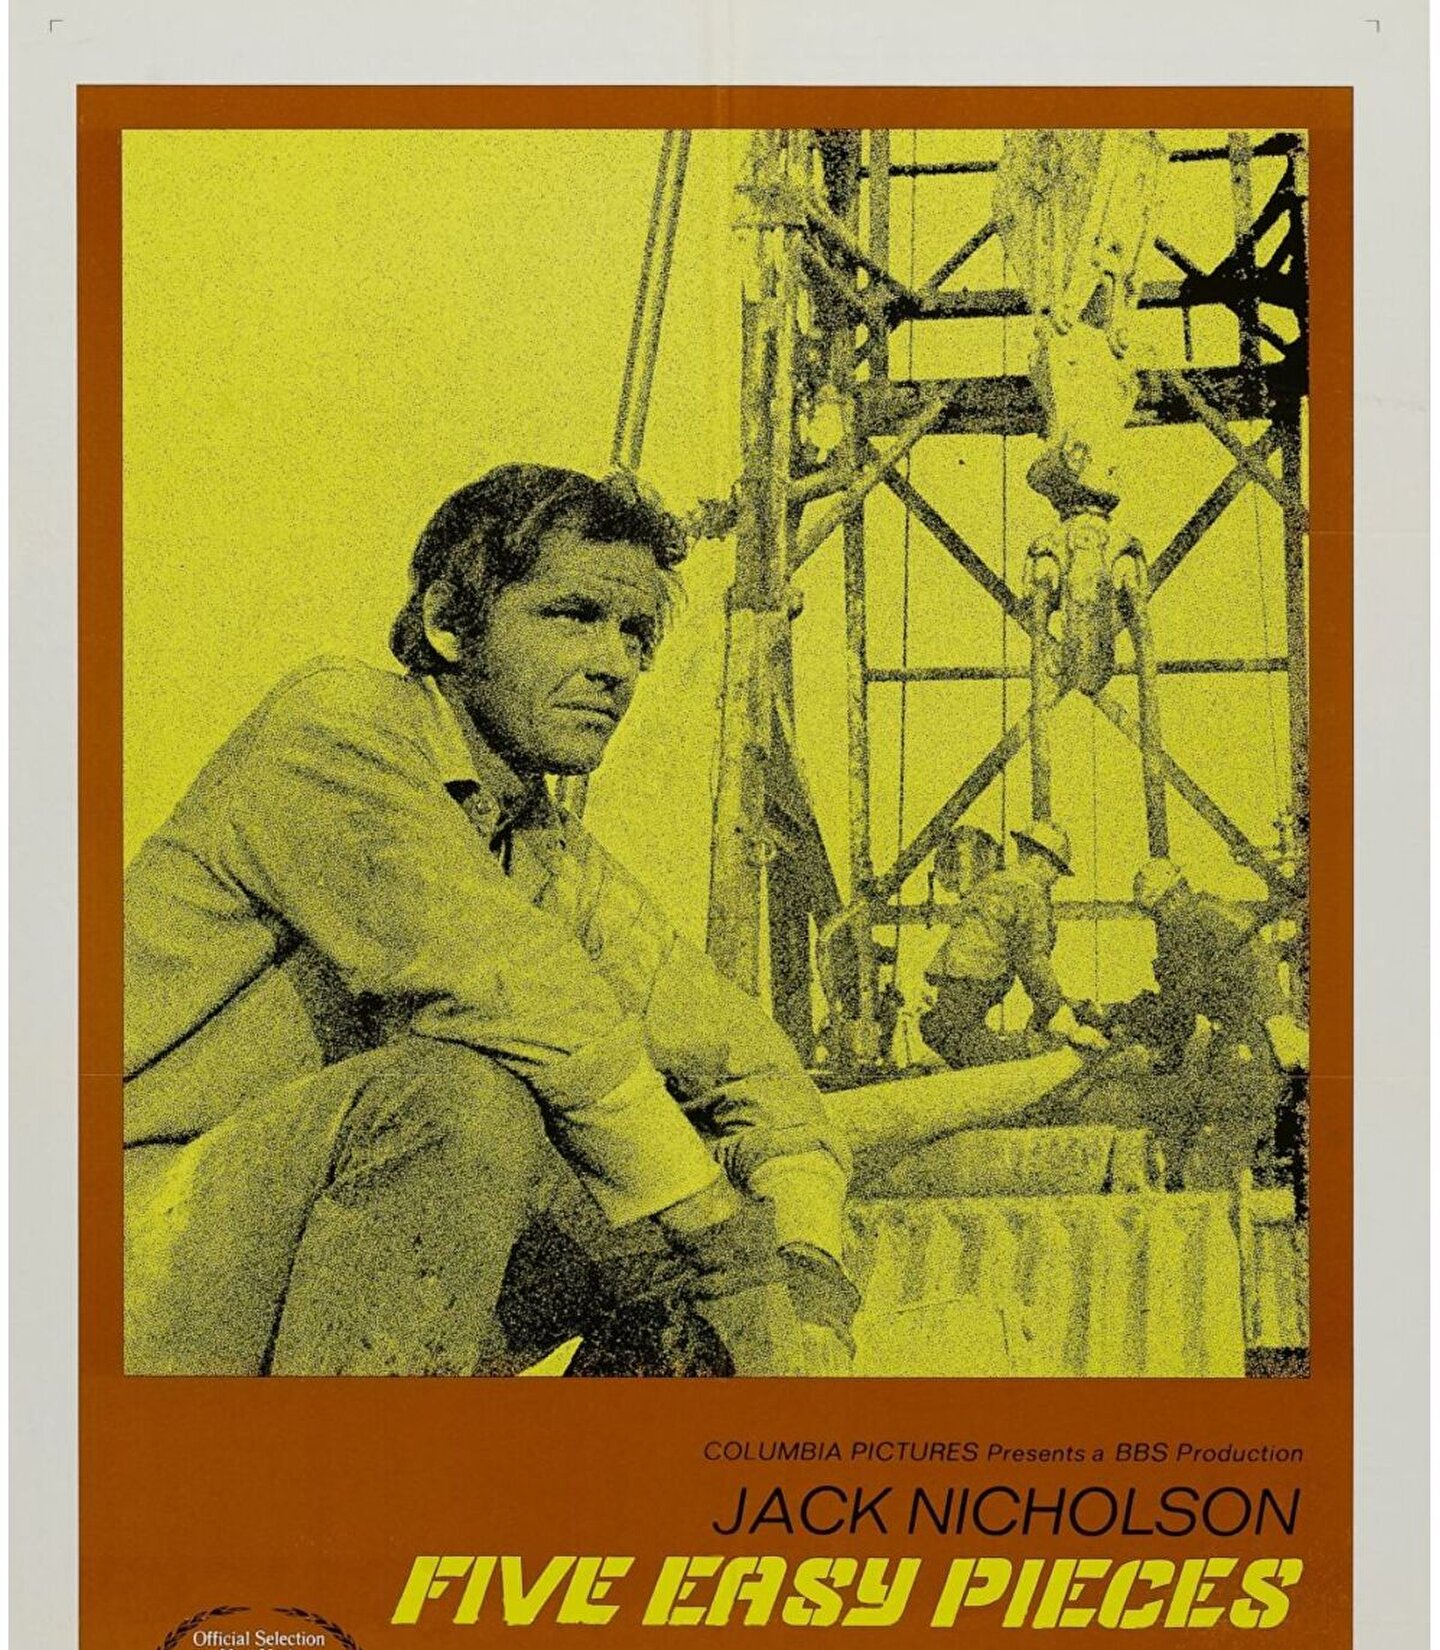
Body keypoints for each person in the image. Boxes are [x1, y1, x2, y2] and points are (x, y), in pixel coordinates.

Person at [123, 463, 859, 1377]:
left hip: (264, 1260)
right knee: (466, 1102)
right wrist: (725, 1248)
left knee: (676, 1234)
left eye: (635, 634)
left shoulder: (542, 849)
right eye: (573, 615)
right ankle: (347, 1465)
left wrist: (807, 1277)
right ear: (448, 622)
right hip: (108, 1242)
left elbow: (750, 1068)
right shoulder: (335, 731)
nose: (614, 665)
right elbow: (525, 1000)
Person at [1119, 856, 1291, 1187]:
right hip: (1258, 1033)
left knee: (1225, 1126)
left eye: (1155, 913)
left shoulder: (1187, 925)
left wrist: (1142, 1028)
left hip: (1244, 1037)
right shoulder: (1214, 909)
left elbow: (1180, 1004)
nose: (1157, 922)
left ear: (1168, 900)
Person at [918, 821, 1108, 1069]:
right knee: (960, 1041)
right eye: (1056, 870)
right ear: (1040, 862)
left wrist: (1057, 1008)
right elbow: (1032, 961)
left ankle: (1038, 1048)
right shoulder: (1030, 892)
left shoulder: (994, 882)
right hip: (971, 987)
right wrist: (1061, 1016)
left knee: (947, 1033)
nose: (1055, 879)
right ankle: (1040, 1051)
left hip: (954, 981)